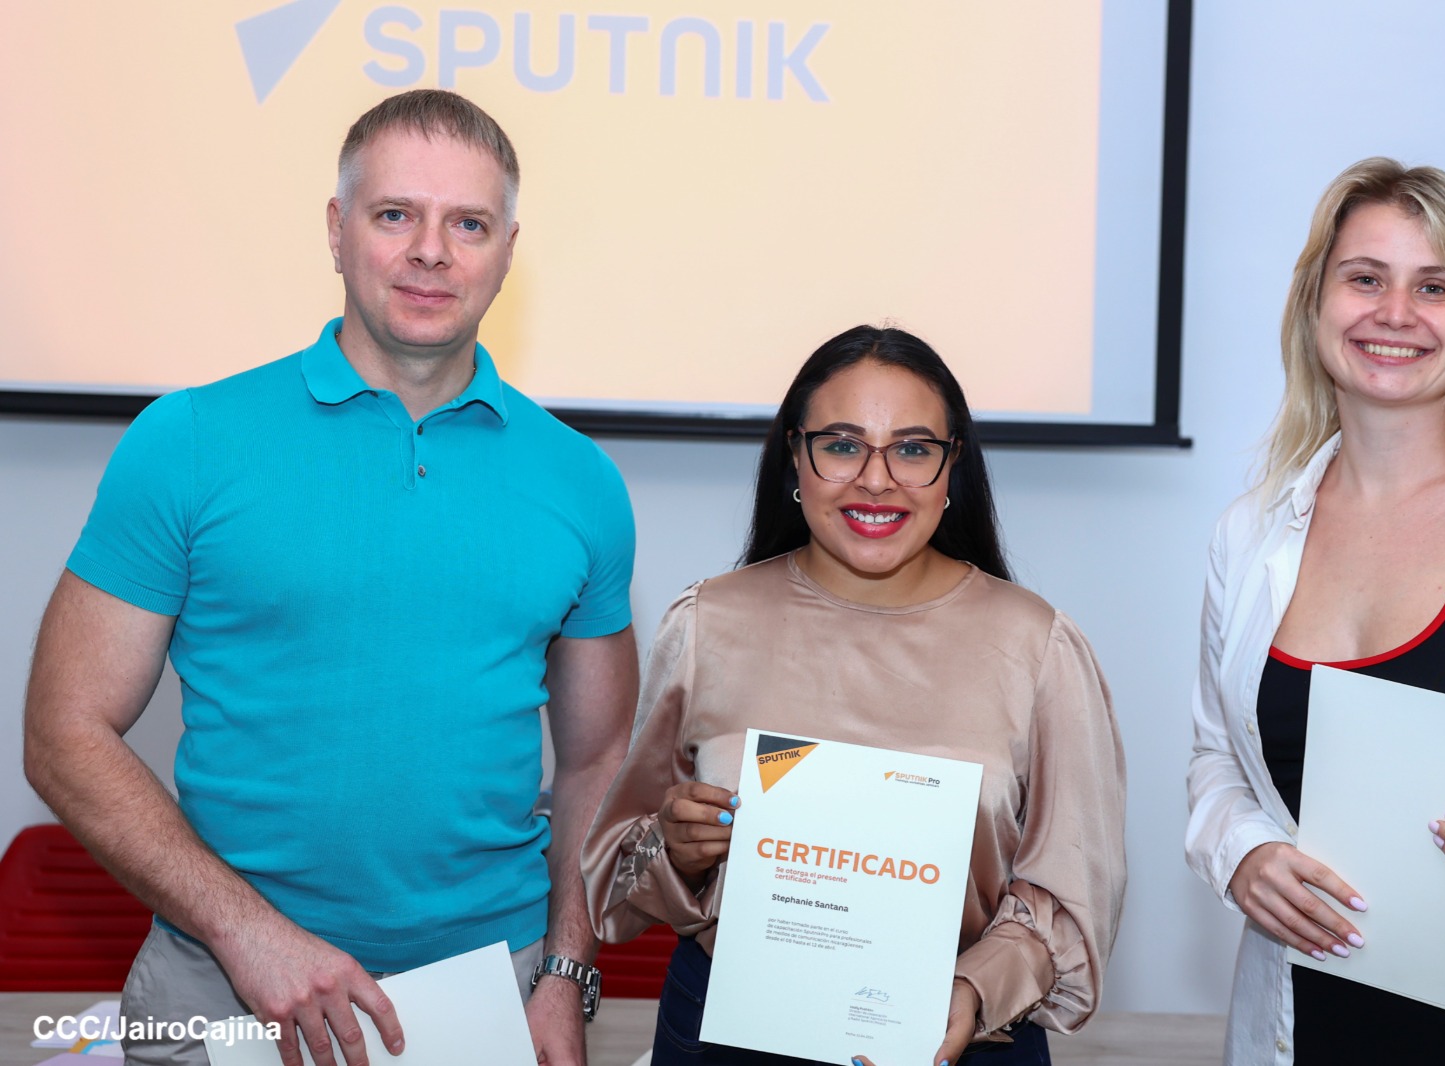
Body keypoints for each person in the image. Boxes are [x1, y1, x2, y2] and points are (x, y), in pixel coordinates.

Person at [22, 90, 637, 1066]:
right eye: (395, 214)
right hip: (224, 981)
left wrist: (564, 973)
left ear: (508, 249)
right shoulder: (188, 441)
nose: (430, 251)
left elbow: (598, 761)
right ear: (336, 230)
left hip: (493, 989)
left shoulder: (582, 482)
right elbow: (62, 732)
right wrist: (247, 932)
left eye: (468, 224)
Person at [582, 325, 1126, 1066]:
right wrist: (677, 851)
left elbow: (1068, 900)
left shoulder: (1039, 645)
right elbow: (613, 868)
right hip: (726, 1035)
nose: (876, 480)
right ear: (795, 458)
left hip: (956, 1039)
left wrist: (975, 987)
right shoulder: (706, 623)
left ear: (952, 466)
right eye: (842, 445)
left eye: (913, 449)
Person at [1185, 157, 1445, 1064]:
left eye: (1435, 287)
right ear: (1315, 304)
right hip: (1310, 1023)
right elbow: (1218, 759)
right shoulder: (1248, 533)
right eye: (1365, 279)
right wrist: (1242, 852)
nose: (1396, 313)